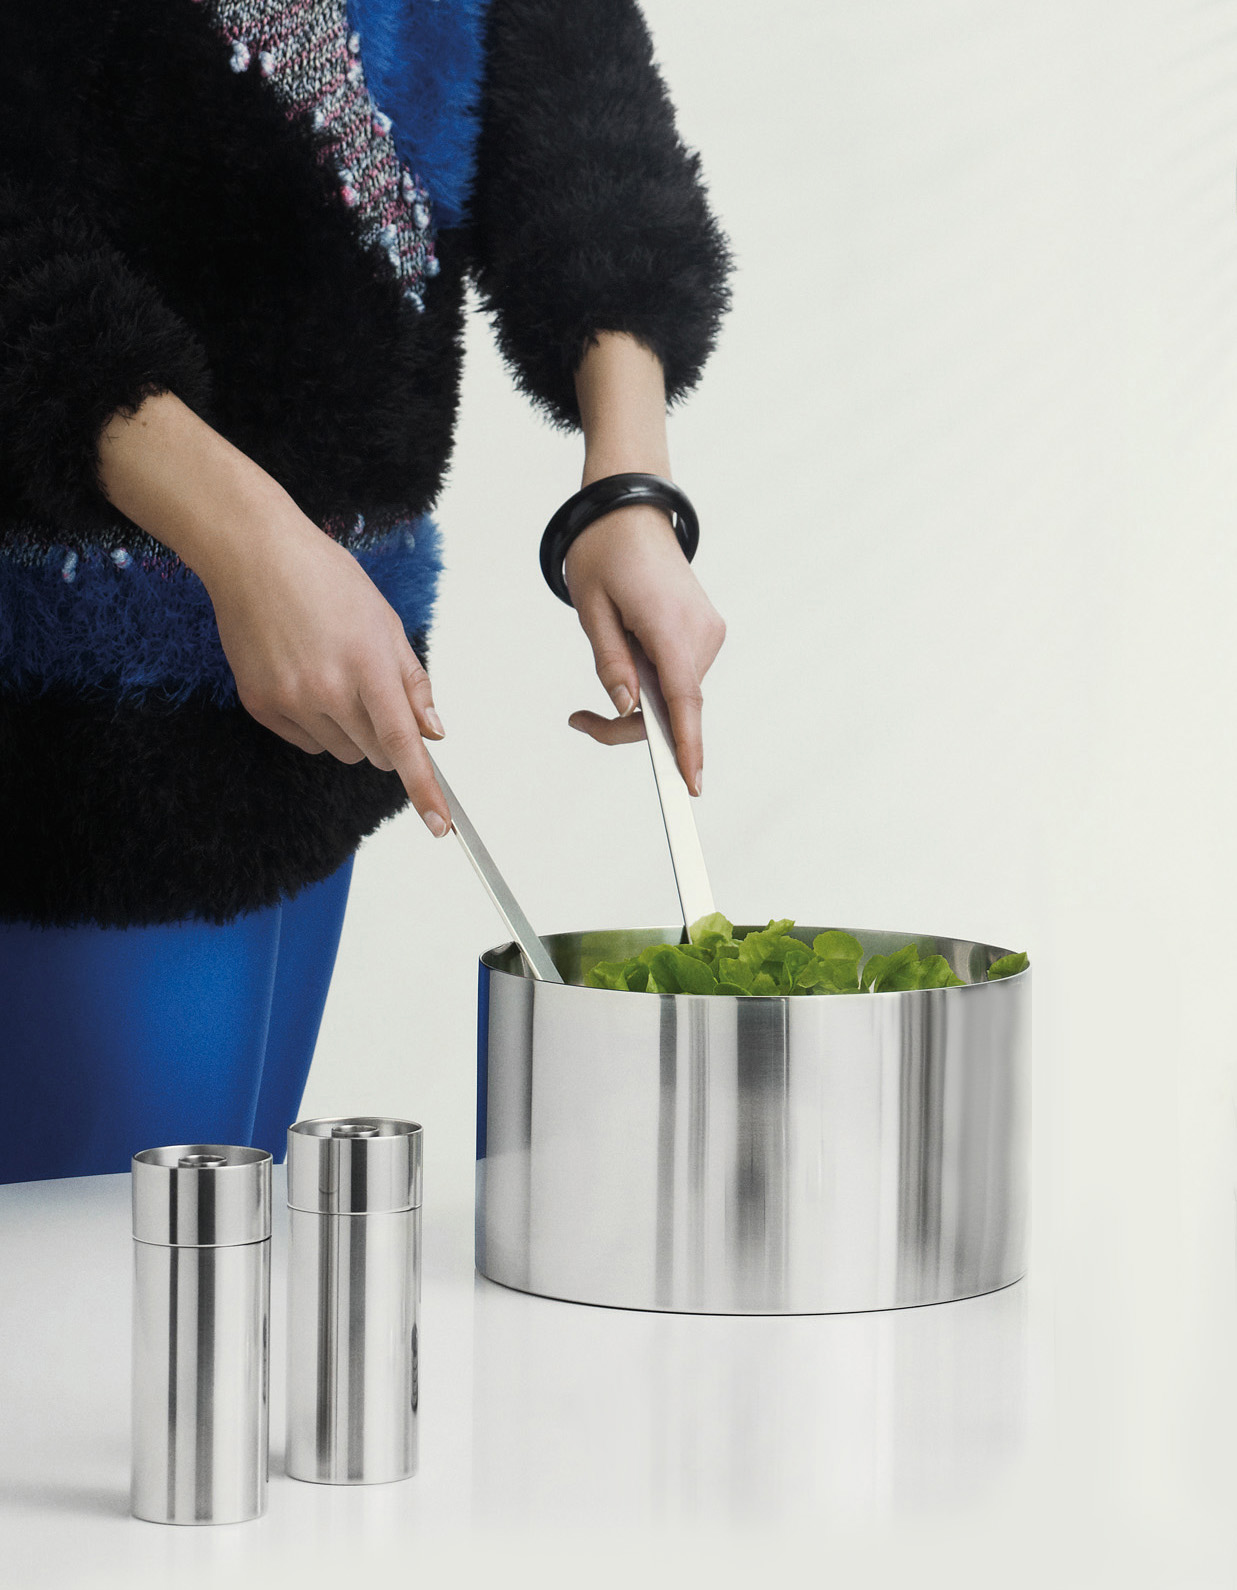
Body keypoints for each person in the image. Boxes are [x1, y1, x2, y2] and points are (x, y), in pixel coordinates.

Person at [0, 0, 732, 1183]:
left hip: (308, 702)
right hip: (61, 725)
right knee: (98, 1261)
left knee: (206, 1247)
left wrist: (627, 486)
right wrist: (243, 537)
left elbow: (577, 97)